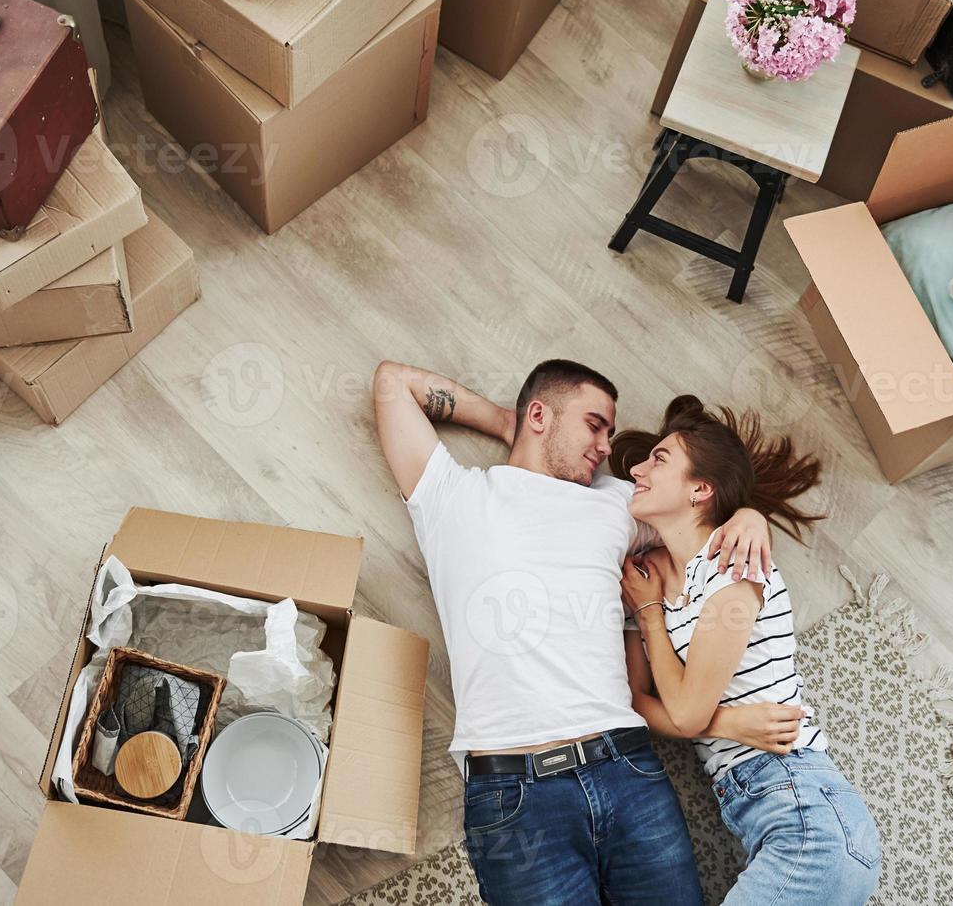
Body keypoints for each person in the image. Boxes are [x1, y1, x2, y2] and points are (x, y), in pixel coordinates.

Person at [373, 359, 807, 906]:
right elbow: (393, 382)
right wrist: (512, 425)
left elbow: (697, 510)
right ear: (539, 413)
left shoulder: (616, 503)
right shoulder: (451, 495)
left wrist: (748, 514)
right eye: (594, 424)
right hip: (514, 795)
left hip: (625, 767)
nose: (606, 446)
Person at [612, 395, 883, 906]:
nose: (640, 469)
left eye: (659, 459)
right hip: (774, 819)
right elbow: (634, 702)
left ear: (701, 489)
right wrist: (728, 723)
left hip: (807, 818)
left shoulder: (733, 565)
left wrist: (651, 616)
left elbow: (685, 713)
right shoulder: (645, 578)